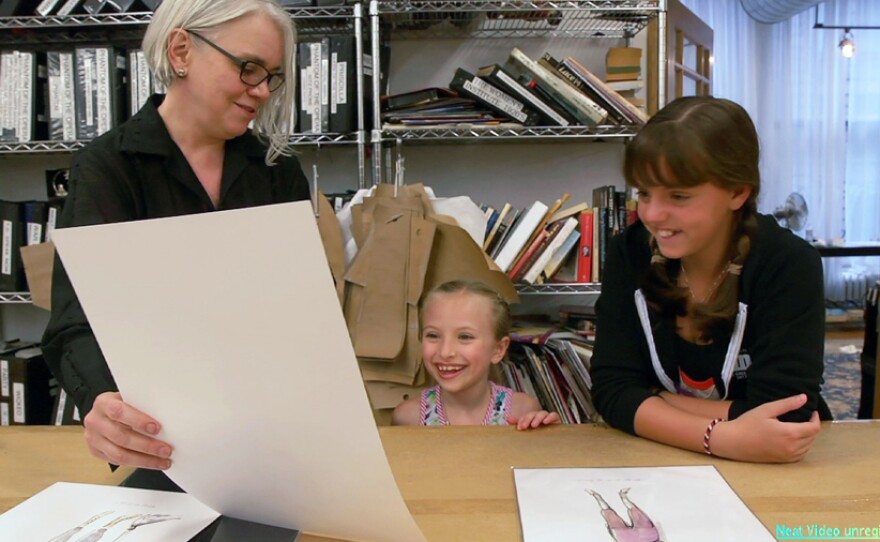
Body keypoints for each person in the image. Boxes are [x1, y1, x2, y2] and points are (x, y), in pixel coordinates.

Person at [41, 0, 310, 472]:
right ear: (182, 50)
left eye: (272, 75)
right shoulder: (108, 168)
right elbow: (74, 323)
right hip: (157, 444)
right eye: (249, 68)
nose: (263, 90)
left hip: (272, 439)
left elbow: (309, 307)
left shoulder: (277, 172)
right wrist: (103, 402)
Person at [590, 96, 830, 464]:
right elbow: (611, 391)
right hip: (657, 463)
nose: (652, 214)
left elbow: (786, 414)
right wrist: (720, 438)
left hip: (778, 466)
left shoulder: (789, 263)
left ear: (738, 192)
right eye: (644, 193)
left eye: (679, 196)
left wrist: (655, 400)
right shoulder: (629, 251)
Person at [392, 280, 561, 429]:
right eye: (433, 335)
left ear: (498, 350)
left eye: (465, 337)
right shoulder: (408, 417)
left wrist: (547, 439)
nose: (445, 352)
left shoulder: (522, 409)